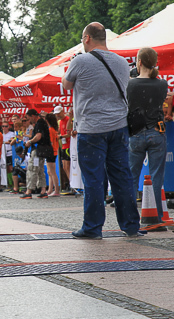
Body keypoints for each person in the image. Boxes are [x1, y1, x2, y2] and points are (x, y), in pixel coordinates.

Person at [63, 22, 141, 239]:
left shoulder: (80, 60)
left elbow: (66, 86)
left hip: (91, 129)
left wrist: (67, 70)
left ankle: (92, 228)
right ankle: (131, 226)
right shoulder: (122, 62)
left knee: (94, 179)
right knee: (123, 177)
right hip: (119, 126)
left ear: (87, 38)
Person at [127, 47, 168, 229]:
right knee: (157, 177)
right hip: (156, 132)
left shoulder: (130, 84)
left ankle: (130, 218)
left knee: (131, 177)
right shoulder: (162, 84)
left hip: (135, 133)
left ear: (139, 62)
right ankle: (157, 217)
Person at [21, 109, 50, 199]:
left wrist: (30, 141)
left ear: (33, 116)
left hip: (37, 150)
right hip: (42, 151)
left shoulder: (39, 123)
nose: (29, 120)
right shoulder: (42, 123)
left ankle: (29, 191)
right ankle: (43, 191)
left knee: (32, 169)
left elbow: (38, 136)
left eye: (28, 118)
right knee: (40, 170)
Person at [54, 105, 71, 190]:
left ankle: (72, 184)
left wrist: (60, 137)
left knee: (68, 166)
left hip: (68, 145)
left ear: (62, 111)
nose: (57, 115)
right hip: (63, 146)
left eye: (58, 113)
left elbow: (69, 134)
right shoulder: (60, 121)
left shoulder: (68, 119)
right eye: (56, 114)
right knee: (64, 167)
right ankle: (70, 182)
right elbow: (59, 132)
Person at [45, 113, 60, 197]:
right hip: (53, 151)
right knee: (50, 171)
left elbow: (50, 142)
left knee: (52, 172)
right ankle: (50, 189)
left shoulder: (50, 130)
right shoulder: (53, 129)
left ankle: (56, 190)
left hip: (51, 151)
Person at [1, 121, 15, 189]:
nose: (4, 128)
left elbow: (11, 140)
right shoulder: (1, 134)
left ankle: (12, 183)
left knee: (10, 168)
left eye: (6, 126)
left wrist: (4, 142)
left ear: (8, 127)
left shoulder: (11, 133)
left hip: (10, 152)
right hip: (3, 153)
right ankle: (8, 183)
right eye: (3, 126)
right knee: (6, 168)